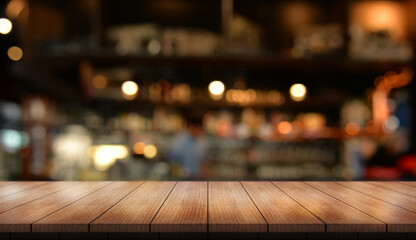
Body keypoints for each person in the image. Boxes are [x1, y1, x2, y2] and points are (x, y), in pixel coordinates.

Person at [169, 110, 207, 179]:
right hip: (183, 179)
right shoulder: (180, 141)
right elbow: (173, 161)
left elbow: (204, 160)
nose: (199, 131)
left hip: (198, 178)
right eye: (197, 129)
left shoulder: (201, 140)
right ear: (191, 127)